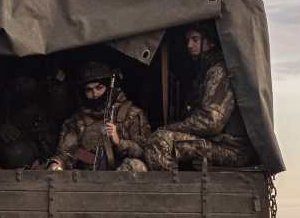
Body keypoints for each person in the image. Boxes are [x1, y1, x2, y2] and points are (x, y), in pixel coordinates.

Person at [144, 23, 255, 170]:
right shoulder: (206, 71)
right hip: (218, 143)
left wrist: (170, 128)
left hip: (231, 149)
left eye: (195, 40)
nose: (189, 45)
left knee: (160, 141)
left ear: (211, 42)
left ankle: (176, 191)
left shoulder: (219, 71)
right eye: (188, 40)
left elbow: (211, 122)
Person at [47, 61, 150, 172]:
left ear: (109, 88)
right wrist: (57, 164)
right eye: (89, 90)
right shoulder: (77, 121)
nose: (95, 94)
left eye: (99, 87)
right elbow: (68, 152)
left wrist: (119, 142)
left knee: (136, 166)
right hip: (90, 178)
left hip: (124, 180)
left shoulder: (131, 114)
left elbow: (145, 152)